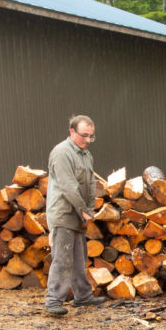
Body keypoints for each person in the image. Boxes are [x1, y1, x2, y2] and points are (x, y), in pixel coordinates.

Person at [44, 115, 105, 315]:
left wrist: (88, 209)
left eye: (91, 136)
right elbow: (68, 186)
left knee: (79, 258)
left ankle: (83, 296)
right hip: (63, 213)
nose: (88, 140)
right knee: (62, 259)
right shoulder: (61, 153)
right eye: (84, 135)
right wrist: (83, 211)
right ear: (72, 132)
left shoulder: (86, 155)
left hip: (79, 214)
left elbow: (89, 185)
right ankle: (53, 301)